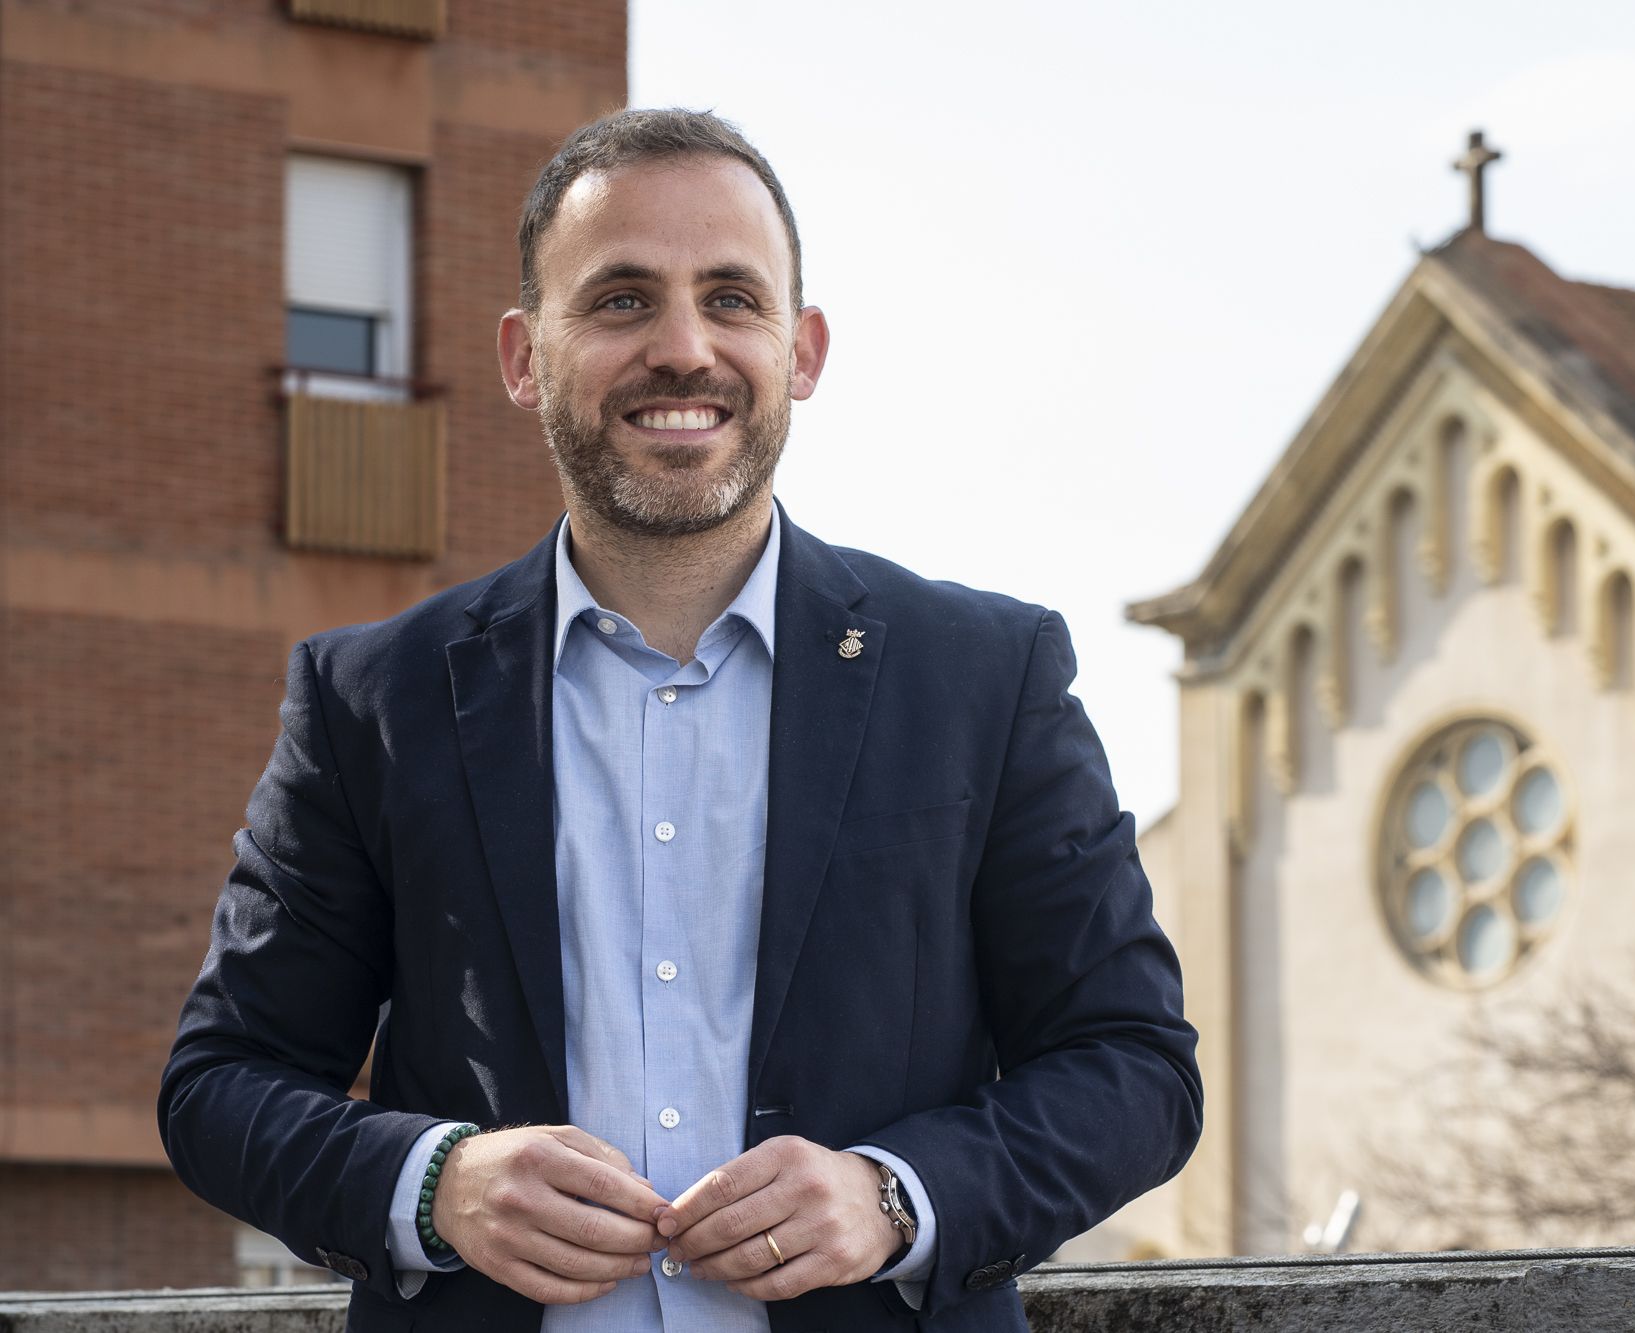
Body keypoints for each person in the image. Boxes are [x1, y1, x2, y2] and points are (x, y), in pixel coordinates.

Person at [159, 108, 1201, 1333]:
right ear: (523, 355)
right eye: (618, 302)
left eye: (732, 298)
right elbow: (221, 1085)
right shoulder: (371, 700)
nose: (683, 348)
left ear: (801, 349)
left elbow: (1132, 1066)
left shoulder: (985, 673)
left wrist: (895, 1196)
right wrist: (433, 1184)